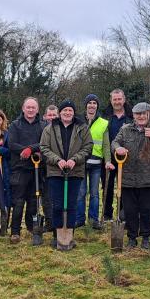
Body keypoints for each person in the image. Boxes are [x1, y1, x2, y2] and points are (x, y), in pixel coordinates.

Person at [111, 102, 150, 249]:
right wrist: (118, 149)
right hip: (128, 179)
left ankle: (145, 238)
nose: (141, 116)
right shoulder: (125, 129)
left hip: (149, 179)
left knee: (147, 211)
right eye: (138, 114)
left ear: (149, 114)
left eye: (144, 114)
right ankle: (131, 238)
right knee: (130, 211)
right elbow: (114, 143)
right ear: (134, 116)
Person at [40, 100, 93, 249]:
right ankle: (57, 236)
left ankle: (69, 235)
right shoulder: (50, 129)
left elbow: (88, 147)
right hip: (55, 172)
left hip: (75, 172)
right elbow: (44, 147)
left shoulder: (82, 127)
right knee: (57, 204)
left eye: (70, 110)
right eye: (65, 110)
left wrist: (74, 160)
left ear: (74, 112)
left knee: (71, 204)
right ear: (60, 112)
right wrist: (57, 160)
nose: (67, 113)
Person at [4, 97, 46, 243]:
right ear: (23, 108)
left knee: (33, 200)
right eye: (28, 107)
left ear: (37, 109)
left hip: (36, 169)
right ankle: (15, 231)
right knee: (18, 201)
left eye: (33, 107)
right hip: (19, 169)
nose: (30, 110)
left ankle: (31, 228)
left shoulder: (43, 126)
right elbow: (11, 144)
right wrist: (26, 151)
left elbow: (44, 143)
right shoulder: (15, 125)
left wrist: (31, 149)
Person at [77, 94, 111, 230]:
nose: (92, 105)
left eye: (94, 103)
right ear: (86, 105)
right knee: (81, 193)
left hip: (96, 164)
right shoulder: (78, 120)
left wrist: (108, 161)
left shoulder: (103, 123)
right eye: (89, 103)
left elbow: (106, 145)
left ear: (97, 106)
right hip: (80, 163)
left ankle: (93, 220)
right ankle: (79, 220)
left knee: (95, 193)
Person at [101, 88, 133, 221]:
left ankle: (122, 214)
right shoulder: (105, 117)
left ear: (124, 99)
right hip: (109, 158)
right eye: (115, 99)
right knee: (107, 186)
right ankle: (107, 214)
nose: (117, 102)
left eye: (119, 99)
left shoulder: (131, 116)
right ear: (111, 100)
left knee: (124, 187)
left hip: (126, 158)